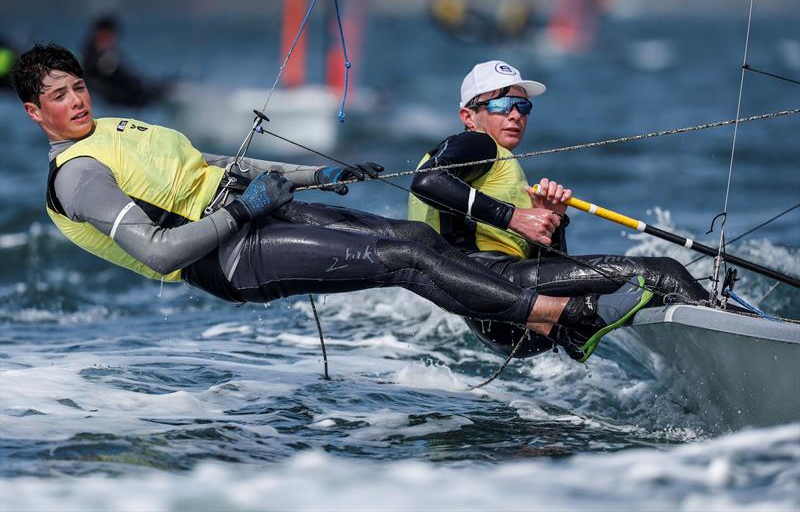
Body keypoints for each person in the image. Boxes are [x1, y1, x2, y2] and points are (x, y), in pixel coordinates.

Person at [11, 44, 651, 363]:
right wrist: (242, 210)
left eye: (78, 86)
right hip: (229, 256)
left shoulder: (122, 130)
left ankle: (537, 328)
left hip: (258, 211)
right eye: (59, 97)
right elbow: (157, 253)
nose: (76, 101)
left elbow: (214, 165)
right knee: (399, 257)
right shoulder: (78, 175)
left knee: (416, 242)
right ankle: (569, 317)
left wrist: (318, 173)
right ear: (34, 112)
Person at [409, 60, 707, 360]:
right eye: (502, 104)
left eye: (523, 107)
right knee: (664, 273)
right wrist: (513, 216)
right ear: (468, 116)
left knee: (633, 292)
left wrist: (552, 222)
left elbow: (548, 269)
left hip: (502, 321)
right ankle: (737, 334)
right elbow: (427, 181)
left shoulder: (491, 166)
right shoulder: (476, 143)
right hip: (495, 287)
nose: (515, 115)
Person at [81, 15, 167, 107]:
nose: (113, 39)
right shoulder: (95, 58)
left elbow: (129, 76)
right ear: (101, 34)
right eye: (110, 35)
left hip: (131, 95)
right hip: (121, 99)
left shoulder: (107, 54)